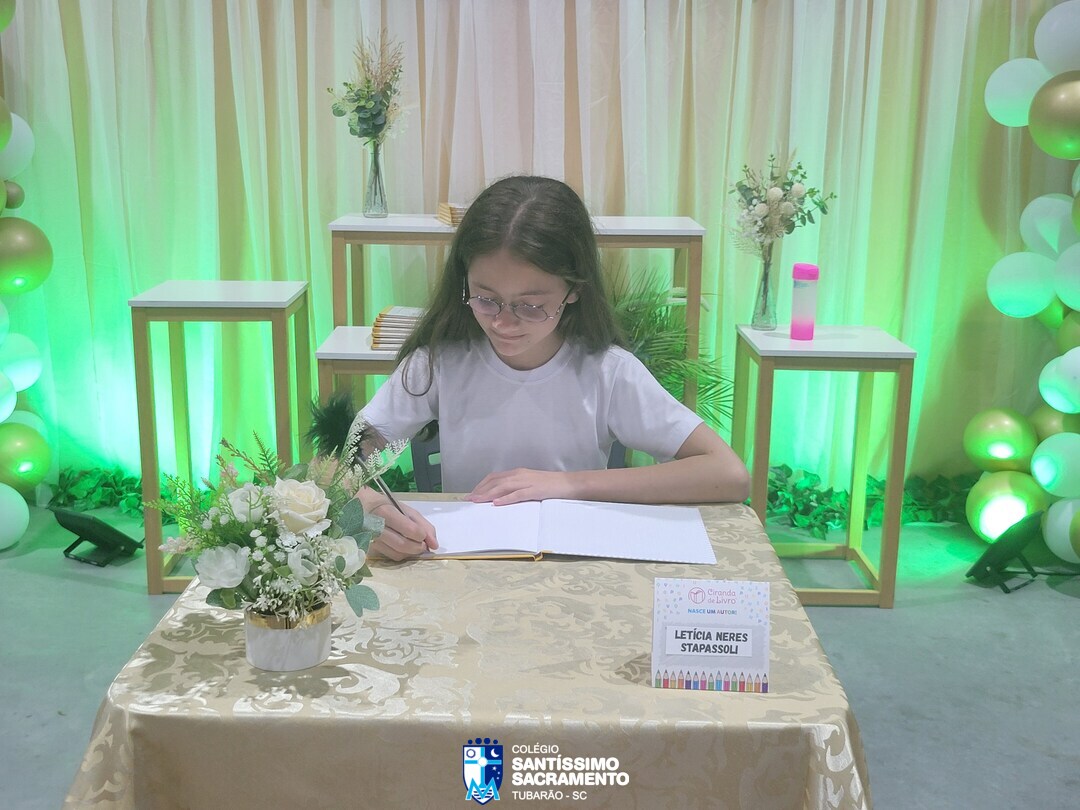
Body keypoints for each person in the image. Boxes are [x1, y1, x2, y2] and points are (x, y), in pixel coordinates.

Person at [354, 175, 749, 559]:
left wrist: (566, 484)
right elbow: (339, 465)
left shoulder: (607, 371)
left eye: (531, 306)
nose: (502, 323)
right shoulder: (438, 364)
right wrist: (369, 505)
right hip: (465, 564)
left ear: (574, 290)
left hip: (574, 565)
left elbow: (728, 474)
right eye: (485, 299)